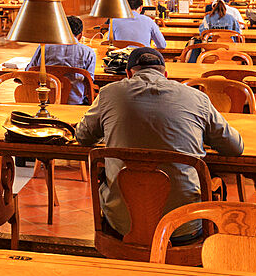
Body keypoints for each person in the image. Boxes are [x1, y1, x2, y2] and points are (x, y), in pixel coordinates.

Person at [75, 47, 243, 241]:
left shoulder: (108, 94)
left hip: (122, 223)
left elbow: (83, 136)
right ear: (165, 74)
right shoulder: (197, 98)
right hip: (184, 223)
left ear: (128, 74)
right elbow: (234, 147)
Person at [27, 15, 96, 105]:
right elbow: (89, 81)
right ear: (80, 35)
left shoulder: (44, 48)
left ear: (59, 30)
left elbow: (29, 71)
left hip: (45, 102)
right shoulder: (88, 52)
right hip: (76, 105)